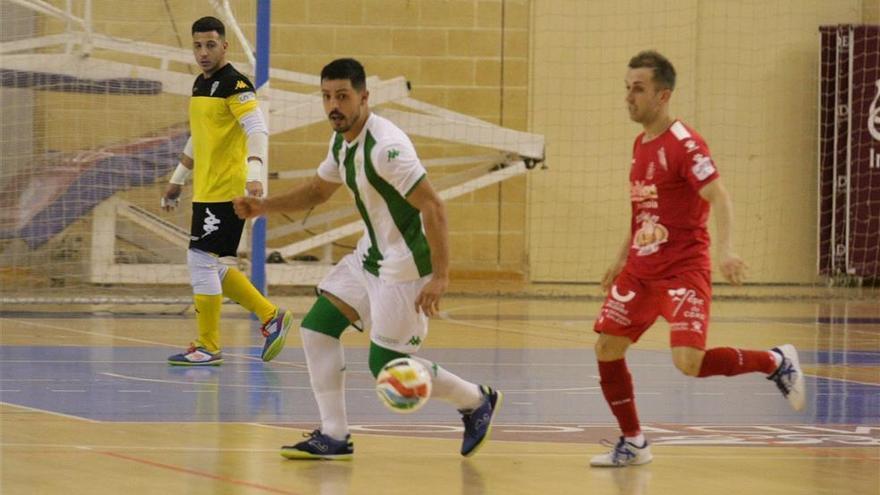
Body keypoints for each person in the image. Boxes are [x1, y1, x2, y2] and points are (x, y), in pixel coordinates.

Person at [233, 58, 502, 460]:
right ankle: (335, 435)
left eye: (342, 96)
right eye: (326, 97)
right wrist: (263, 206)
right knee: (318, 327)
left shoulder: (387, 149)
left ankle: (475, 401)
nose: (333, 106)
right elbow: (317, 191)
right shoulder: (342, 140)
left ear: (364, 97)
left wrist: (441, 277)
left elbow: (434, 208)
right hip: (371, 255)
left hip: (406, 267)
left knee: (388, 369)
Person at [589, 50, 806, 467]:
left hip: (682, 269)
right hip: (640, 270)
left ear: (663, 95)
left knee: (689, 363)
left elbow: (718, 195)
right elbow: (642, 210)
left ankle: (775, 362)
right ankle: (634, 442)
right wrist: (621, 258)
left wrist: (726, 250)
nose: (629, 97)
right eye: (627, 88)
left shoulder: (686, 144)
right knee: (606, 348)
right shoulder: (640, 144)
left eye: (639, 89)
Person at [161, 16, 293, 366]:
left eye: (210, 45)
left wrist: (255, 176)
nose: (203, 53)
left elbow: (257, 129)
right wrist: (178, 179)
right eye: (198, 46)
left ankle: (209, 345)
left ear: (224, 46)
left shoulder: (235, 84)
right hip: (205, 190)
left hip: (227, 191)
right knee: (208, 262)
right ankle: (270, 315)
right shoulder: (200, 84)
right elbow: (198, 136)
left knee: (199, 260)